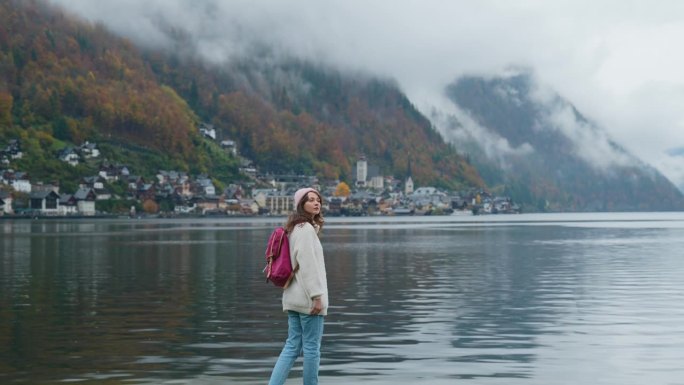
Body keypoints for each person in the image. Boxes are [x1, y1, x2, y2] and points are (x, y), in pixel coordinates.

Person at [268, 187, 328, 385]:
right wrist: (317, 296)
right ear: (301, 205)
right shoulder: (305, 230)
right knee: (311, 348)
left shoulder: (294, 228)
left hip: (293, 297)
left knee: (292, 346)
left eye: (318, 199)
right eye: (310, 200)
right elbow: (308, 266)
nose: (316, 203)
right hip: (308, 300)